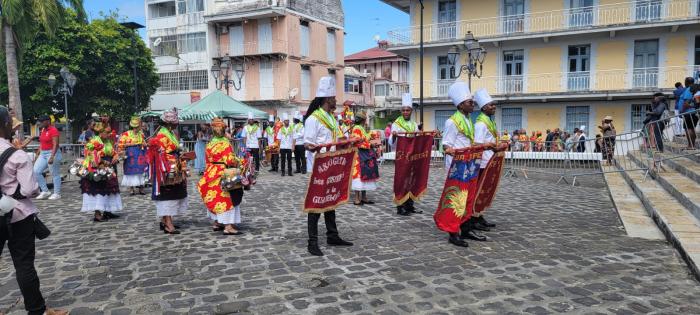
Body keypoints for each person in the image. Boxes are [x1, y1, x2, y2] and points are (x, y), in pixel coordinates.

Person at [0, 107, 68, 315]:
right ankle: (37, 310)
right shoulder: (17, 155)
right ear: (4, 124)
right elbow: (30, 190)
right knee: (24, 264)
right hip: (18, 215)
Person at [302, 76, 353, 256]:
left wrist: (349, 141)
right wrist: (318, 147)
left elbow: (338, 138)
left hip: (333, 164)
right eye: (334, 98)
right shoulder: (313, 119)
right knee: (316, 203)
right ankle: (312, 241)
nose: (336, 101)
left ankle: (332, 235)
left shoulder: (331, 118)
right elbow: (307, 144)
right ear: (326, 99)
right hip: (319, 167)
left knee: (331, 201)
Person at [442, 82, 485, 247]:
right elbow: (446, 145)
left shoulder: (468, 120)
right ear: (460, 105)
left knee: (468, 198)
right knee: (456, 199)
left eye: (472, 101)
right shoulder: (452, 122)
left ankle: (465, 228)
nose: (473, 104)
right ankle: (453, 233)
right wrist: (451, 151)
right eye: (470, 102)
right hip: (458, 166)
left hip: (470, 163)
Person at [198, 117, 244, 235]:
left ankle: (217, 222)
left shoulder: (209, 143)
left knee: (215, 197)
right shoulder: (225, 143)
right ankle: (228, 226)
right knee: (227, 198)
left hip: (211, 172)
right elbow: (230, 160)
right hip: (223, 173)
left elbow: (207, 160)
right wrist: (240, 161)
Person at [148, 108, 189, 234]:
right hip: (166, 167)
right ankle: (168, 224)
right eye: (176, 122)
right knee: (167, 194)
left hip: (173, 163)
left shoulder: (169, 133)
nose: (178, 124)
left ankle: (164, 221)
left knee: (172, 192)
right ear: (170, 123)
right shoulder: (162, 135)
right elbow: (162, 153)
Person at [472, 89, 506, 232]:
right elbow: (477, 145)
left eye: (494, 105)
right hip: (482, 163)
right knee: (478, 192)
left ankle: (480, 216)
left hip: (490, 161)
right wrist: (493, 148)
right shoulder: (481, 124)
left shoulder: (490, 122)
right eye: (491, 105)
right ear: (484, 107)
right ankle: (474, 219)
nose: (494, 107)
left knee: (485, 191)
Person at [80, 121, 123, 222]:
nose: (109, 135)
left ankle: (108, 211)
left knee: (109, 189)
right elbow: (90, 155)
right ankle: (97, 213)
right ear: (100, 132)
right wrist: (103, 162)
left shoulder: (107, 141)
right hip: (97, 168)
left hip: (109, 167)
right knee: (98, 190)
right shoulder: (93, 141)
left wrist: (116, 157)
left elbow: (113, 151)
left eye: (109, 133)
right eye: (106, 133)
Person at [391, 93, 420, 216]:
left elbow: (418, 137)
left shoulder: (414, 124)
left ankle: (409, 204)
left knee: (412, 180)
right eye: (403, 110)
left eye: (408, 110)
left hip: (412, 156)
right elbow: (391, 141)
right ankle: (400, 206)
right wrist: (393, 135)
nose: (405, 112)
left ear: (411, 111)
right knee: (401, 179)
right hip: (402, 156)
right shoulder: (397, 124)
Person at [350, 112, 379, 206]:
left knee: (366, 174)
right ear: (364, 120)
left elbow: (364, 139)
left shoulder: (361, 128)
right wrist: (370, 144)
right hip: (359, 155)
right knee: (358, 176)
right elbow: (357, 142)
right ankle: (357, 198)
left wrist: (371, 137)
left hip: (365, 154)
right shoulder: (356, 128)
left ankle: (364, 197)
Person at [33, 115, 61, 200]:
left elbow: (55, 144)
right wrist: (38, 153)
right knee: (36, 171)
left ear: (48, 121)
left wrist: (52, 156)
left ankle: (57, 193)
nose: (40, 123)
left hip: (52, 152)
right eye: (40, 121)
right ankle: (45, 191)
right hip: (43, 153)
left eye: (42, 121)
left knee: (54, 173)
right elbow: (42, 142)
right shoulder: (43, 130)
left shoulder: (53, 130)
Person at [118, 116, 147, 195]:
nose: (137, 128)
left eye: (138, 127)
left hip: (140, 154)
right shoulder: (126, 134)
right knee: (130, 171)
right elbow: (121, 144)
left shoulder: (141, 134)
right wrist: (123, 151)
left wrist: (144, 144)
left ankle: (141, 188)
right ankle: (131, 189)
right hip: (130, 155)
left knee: (141, 171)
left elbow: (144, 143)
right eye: (137, 127)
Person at [679, 77, 698, 149]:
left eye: (685, 82)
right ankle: (692, 145)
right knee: (692, 128)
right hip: (694, 112)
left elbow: (686, 103)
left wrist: (681, 111)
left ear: (687, 82)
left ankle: (690, 145)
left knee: (688, 128)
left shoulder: (688, 90)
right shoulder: (695, 89)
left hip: (688, 112)